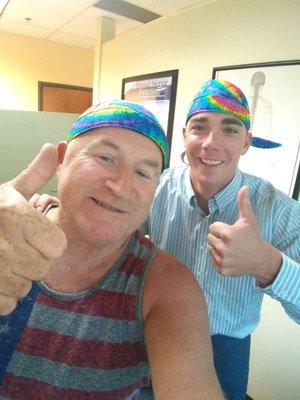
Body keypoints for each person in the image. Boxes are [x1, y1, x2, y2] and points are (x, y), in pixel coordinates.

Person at [0, 101, 223, 399]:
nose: (120, 185)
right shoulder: (8, 234)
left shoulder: (165, 286)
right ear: (62, 159)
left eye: (144, 173)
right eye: (105, 157)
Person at [147, 79, 300, 399]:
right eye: (199, 127)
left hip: (226, 346)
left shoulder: (279, 211)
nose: (210, 143)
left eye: (229, 130)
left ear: (247, 142)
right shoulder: (155, 187)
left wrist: (266, 264)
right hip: (151, 330)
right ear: (185, 136)